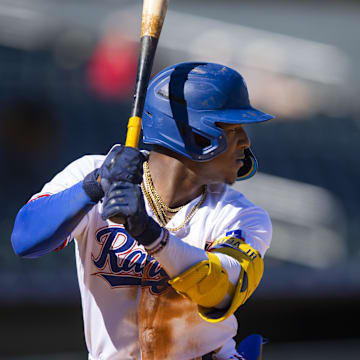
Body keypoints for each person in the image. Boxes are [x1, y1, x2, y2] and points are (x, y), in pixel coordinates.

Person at [11, 62, 273, 360]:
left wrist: (150, 234)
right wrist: (94, 186)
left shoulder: (241, 215)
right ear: (193, 134)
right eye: (232, 128)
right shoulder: (94, 172)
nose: (246, 142)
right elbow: (25, 240)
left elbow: (218, 291)